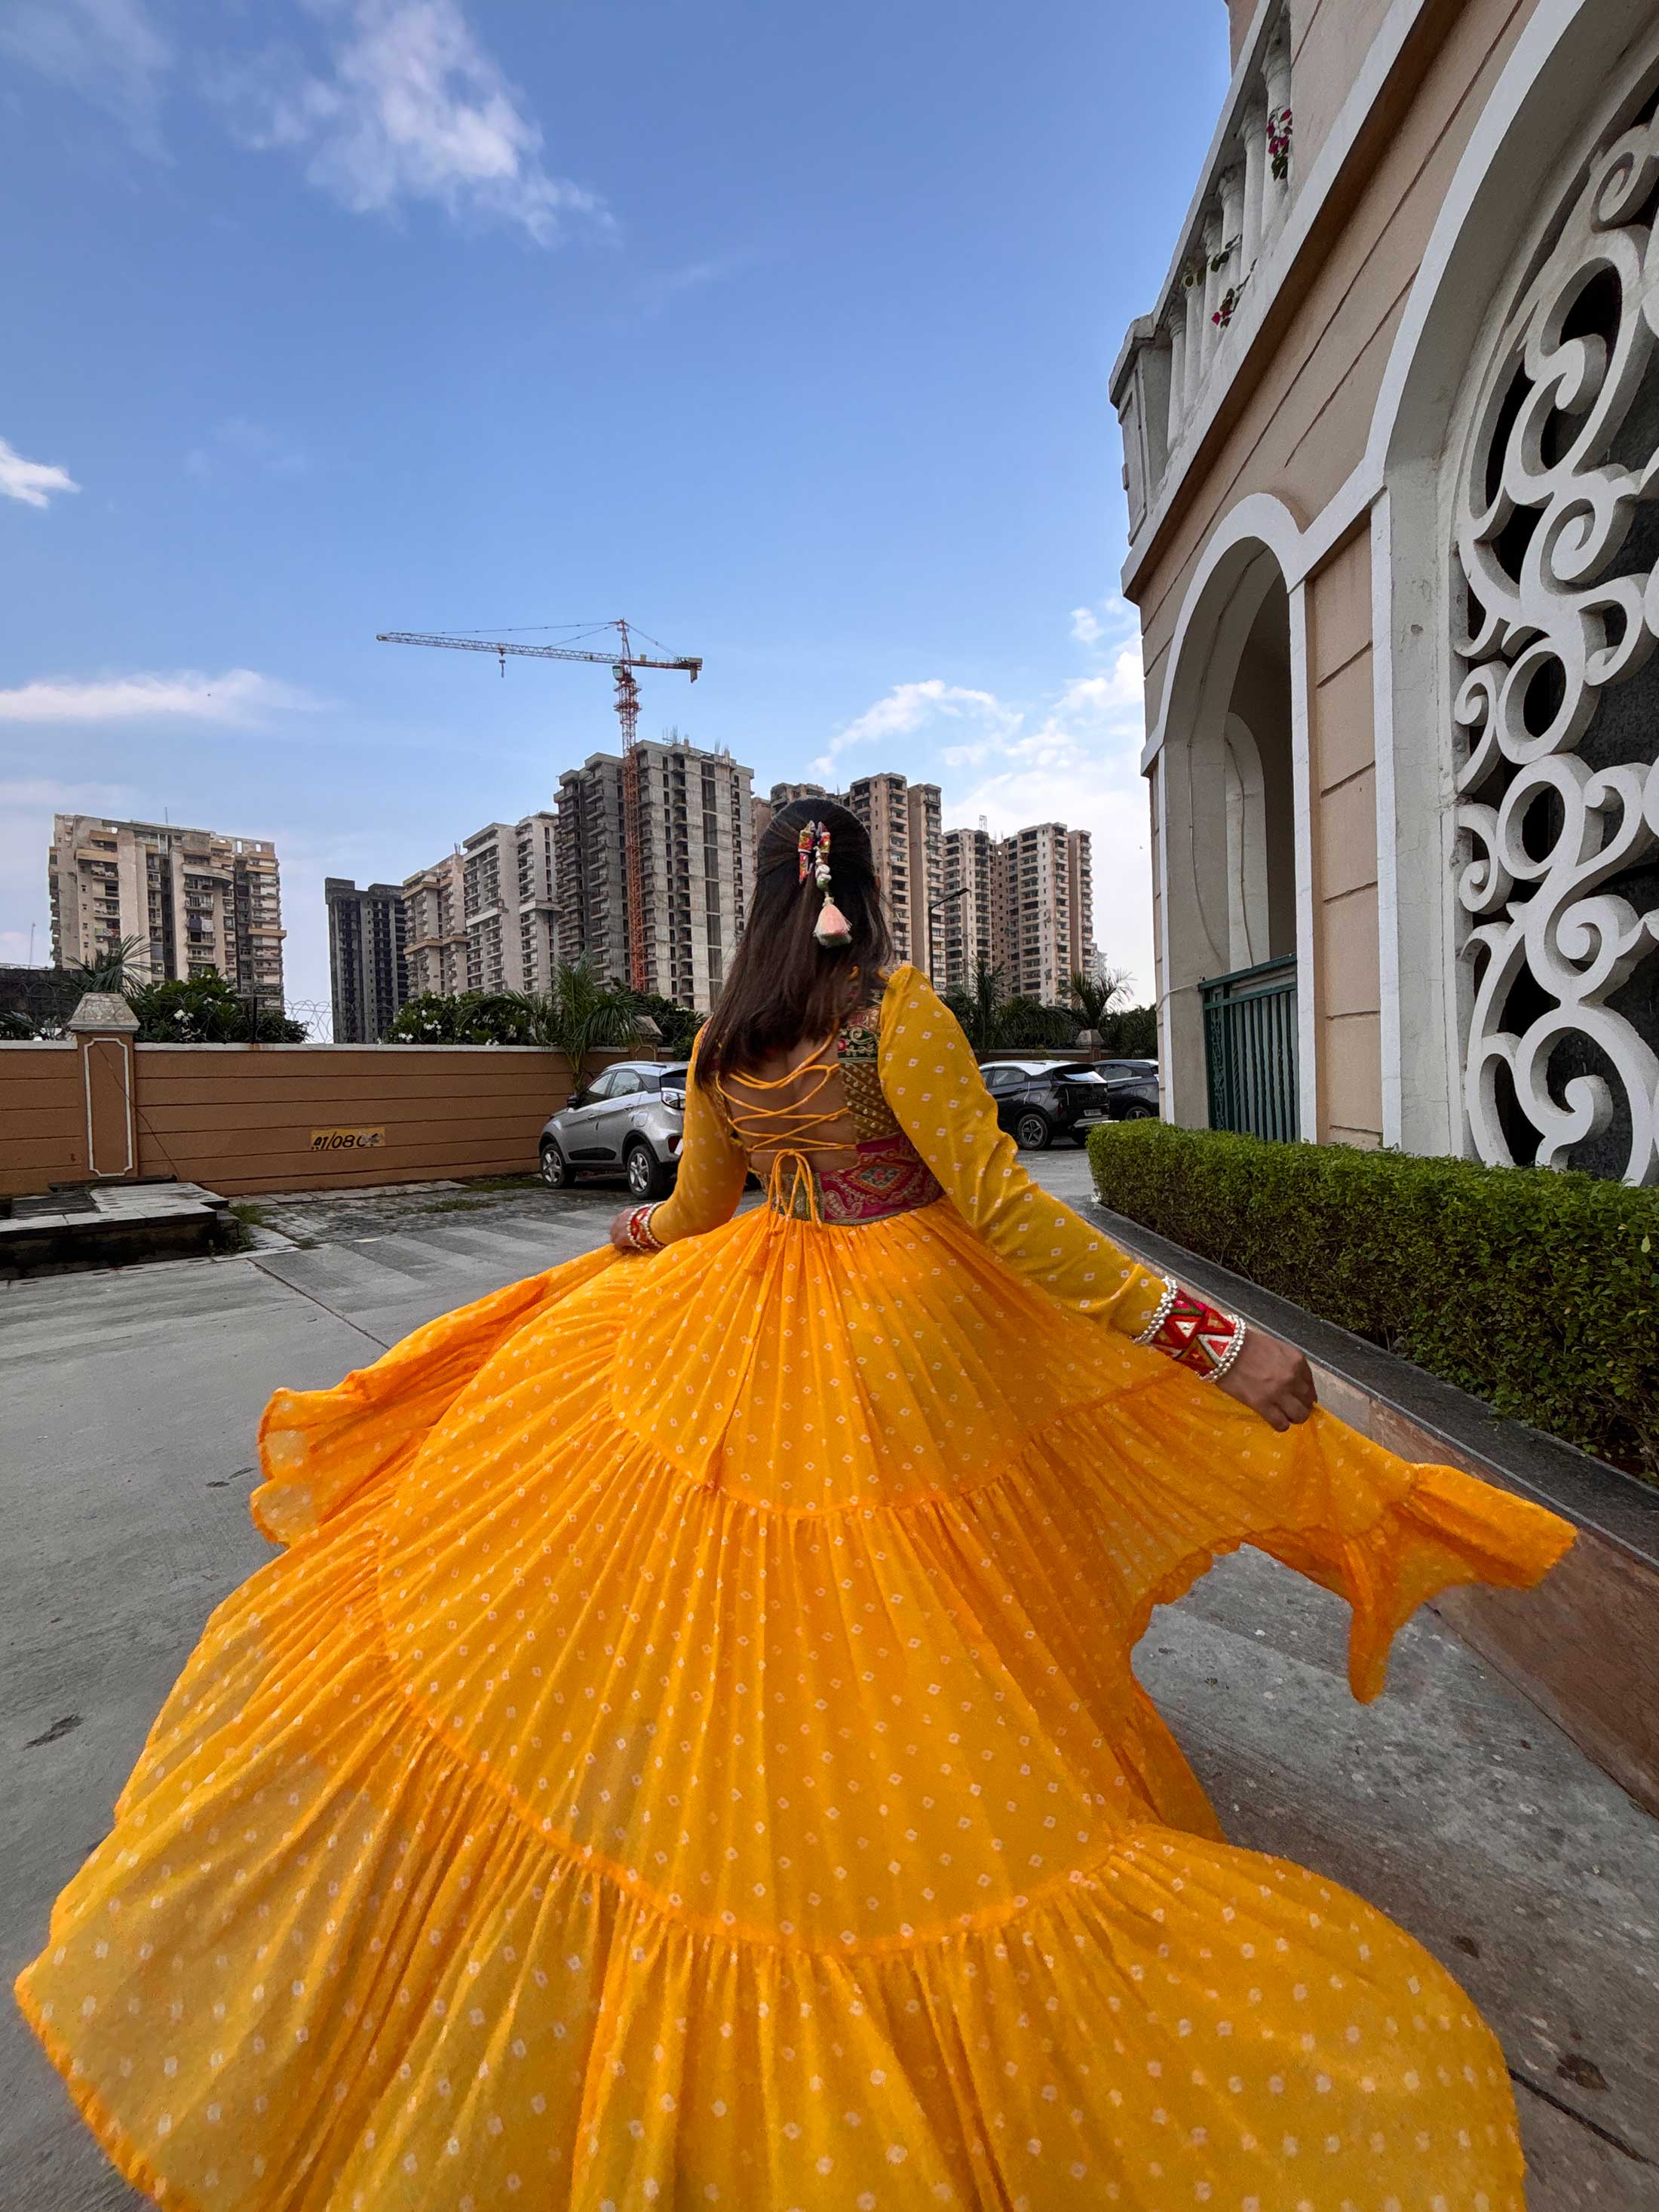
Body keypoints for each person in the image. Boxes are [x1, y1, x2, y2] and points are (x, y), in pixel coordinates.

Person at [19, 798, 1572, 2211]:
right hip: (898, 1337)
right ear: (861, 896)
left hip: (746, 1320)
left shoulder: (721, 1037)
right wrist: (1208, 1339)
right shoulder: (896, 1012)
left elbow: (703, 1212)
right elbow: (1009, 1215)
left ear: (760, 903)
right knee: (921, 1609)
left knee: (770, 1623)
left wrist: (635, 1237)